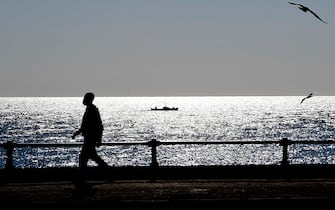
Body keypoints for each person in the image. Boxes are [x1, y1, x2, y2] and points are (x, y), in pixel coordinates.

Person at [72, 92, 109, 168]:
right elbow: (85, 126)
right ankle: (109, 172)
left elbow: (99, 126)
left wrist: (99, 139)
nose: (83, 100)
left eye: (85, 98)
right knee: (92, 157)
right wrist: (77, 133)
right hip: (89, 139)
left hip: (90, 139)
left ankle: (82, 177)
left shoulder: (92, 110)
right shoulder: (90, 109)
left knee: (84, 158)